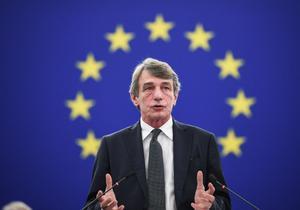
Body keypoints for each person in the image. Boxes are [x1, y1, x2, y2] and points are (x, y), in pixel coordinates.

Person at [84, 58, 231, 210]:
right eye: (148, 88)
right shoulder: (111, 145)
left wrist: (210, 206)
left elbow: (224, 202)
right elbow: (91, 205)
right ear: (134, 98)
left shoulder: (203, 141)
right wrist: (102, 208)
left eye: (166, 88)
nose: (158, 96)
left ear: (175, 97)